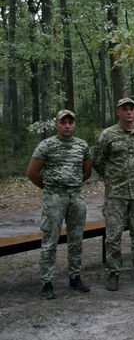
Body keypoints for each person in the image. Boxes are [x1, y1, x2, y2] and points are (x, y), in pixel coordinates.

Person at [94, 98, 134, 291]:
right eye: (125, 109)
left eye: (131, 109)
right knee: (113, 234)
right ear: (118, 112)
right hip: (116, 193)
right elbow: (98, 160)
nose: (129, 112)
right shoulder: (108, 134)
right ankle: (113, 272)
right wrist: (112, 177)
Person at [26, 110, 92, 299]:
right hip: (54, 198)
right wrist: (50, 189)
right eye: (63, 122)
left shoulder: (82, 146)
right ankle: (47, 281)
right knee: (50, 239)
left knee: (76, 238)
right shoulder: (46, 145)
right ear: (57, 124)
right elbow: (32, 173)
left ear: (74, 125)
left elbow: (86, 172)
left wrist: (73, 185)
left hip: (76, 197)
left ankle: (75, 276)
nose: (67, 126)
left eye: (70, 122)